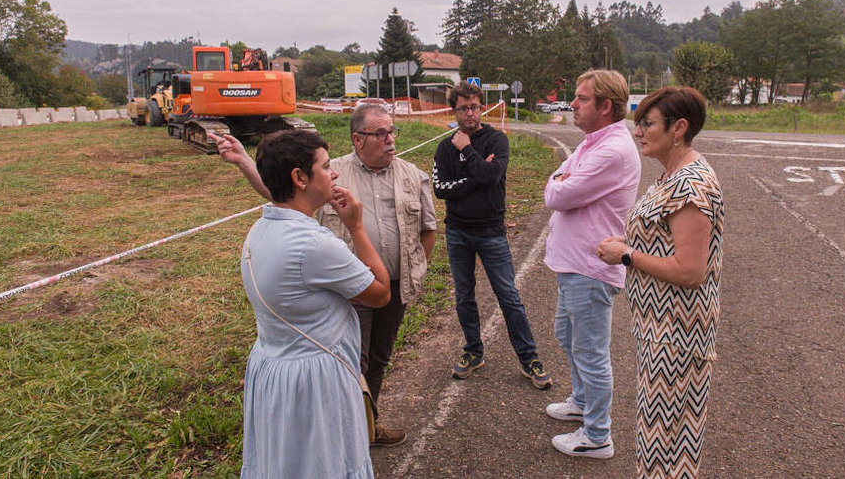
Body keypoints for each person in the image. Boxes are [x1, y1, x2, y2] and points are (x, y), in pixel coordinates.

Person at [213, 102, 437, 447]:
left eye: (392, 131)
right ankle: (346, 435)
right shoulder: (331, 173)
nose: (390, 139)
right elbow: (284, 194)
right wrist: (245, 161)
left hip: (395, 285)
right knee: (352, 362)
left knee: (378, 358)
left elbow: (428, 229)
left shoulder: (412, 174)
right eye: (380, 133)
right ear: (358, 139)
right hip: (351, 290)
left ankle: (368, 423)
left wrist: (415, 267)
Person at [238, 129, 390, 478]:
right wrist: (356, 227)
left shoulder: (259, 231)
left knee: (285, 461)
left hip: (274, 367)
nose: (334, 173)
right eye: (325, 166)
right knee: (323, 461)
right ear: (300, 178)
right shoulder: (313, 244)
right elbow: (380, 292)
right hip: (314, 379)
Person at [596, 86, 724, 478]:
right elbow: (666, 240)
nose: (639, 132)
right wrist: (631, 242)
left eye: (648, 124)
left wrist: (628, 256)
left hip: (678, 337)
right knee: (657, 436)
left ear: (678, 128)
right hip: (660, 331)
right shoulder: (672, 175)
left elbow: (690, 270)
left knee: (669, 443)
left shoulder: (691, 185)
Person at [543, 69, 641, 460]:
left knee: (590, 351)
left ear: (606, 106)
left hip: (590, 266)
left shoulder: (611, 150)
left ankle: (598, 435)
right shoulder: (593, 142)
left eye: (582, 99)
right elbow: (560, 181)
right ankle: (582, 402)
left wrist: (560, 180)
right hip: (574, 263)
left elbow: (558, 194)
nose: (573, 104)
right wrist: (561, 178)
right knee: (567, 337)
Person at [432, 81, 551, 389]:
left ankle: (529, 358)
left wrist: (468, 152)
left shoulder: (496, 140)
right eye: (462, 108)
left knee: (509, 297)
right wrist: (475, 176)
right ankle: (473, 351)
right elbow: (439, 189)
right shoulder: (445, 147)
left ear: (481, 107)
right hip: (457, 231)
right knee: (464, 297)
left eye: (473, 107)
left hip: (490, 231)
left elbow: (492, 175)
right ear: (454, 110)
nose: (468, 113)